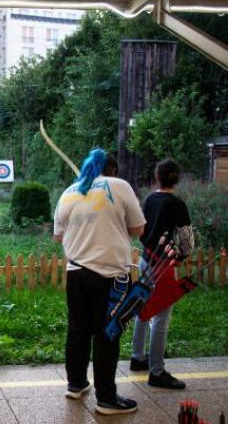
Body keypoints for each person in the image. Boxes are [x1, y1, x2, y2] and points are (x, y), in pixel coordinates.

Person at [53, 149, 146, 415]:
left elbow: (58, 237)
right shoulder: (119, 185)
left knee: (78, 330)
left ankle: (76, 384)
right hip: (110, 275)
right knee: (107, 334)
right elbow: (138, 228)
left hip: (76, 272)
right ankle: (106, 398)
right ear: (113, 170)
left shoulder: (69, 191)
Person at [130, 159, 193, 389]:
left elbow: (141, 230)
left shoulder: (149, 200)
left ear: (157, 177)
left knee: (144, 307)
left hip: (147, 259)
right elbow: (187, 239)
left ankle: (138, 357)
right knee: (161, 316)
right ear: (176, 179)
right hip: (165, 264)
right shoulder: (177, 204)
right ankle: (156, 371)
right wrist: (182, 256)